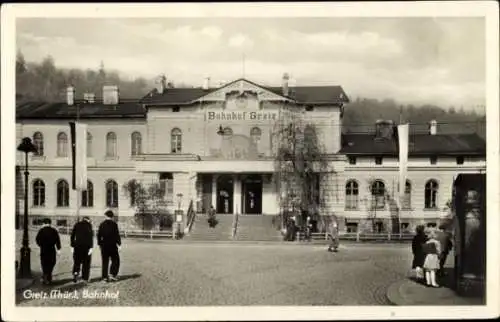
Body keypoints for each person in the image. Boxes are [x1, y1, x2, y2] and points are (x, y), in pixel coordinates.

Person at [35, 218, 61, 285]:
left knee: (44, 263)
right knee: (52, 262)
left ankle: (45, 275)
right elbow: (57, 240)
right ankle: (48, 276)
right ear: (50, 223)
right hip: (51, 249)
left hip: (43, 250)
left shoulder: (41, 230)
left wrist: (41, 245)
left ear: (44, 223)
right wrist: (58, 249)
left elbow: (37, 239)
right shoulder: (54, 230)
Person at [97, 210, 122, 282]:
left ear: (106, 216)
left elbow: (99, 235)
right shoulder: (114, 224)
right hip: (112, 246)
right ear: (112, 216)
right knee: (116, 260)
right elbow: (117, 235)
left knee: (105, 261)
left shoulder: (102, 224)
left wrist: (99, 244)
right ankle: (112, 274)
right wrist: (119, 244)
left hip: (104, 245)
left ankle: (104, 277)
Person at [70, 216, 94, 283]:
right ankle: (85, 278)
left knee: (77, 262)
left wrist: (72, 245)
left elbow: (72, 236)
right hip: (86, 247)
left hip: (77, 246)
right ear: (87, 220)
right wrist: (91, 247)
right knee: (86, 263)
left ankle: (75, 273)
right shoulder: (89, 225)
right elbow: (90, 237)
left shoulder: (77, 224)